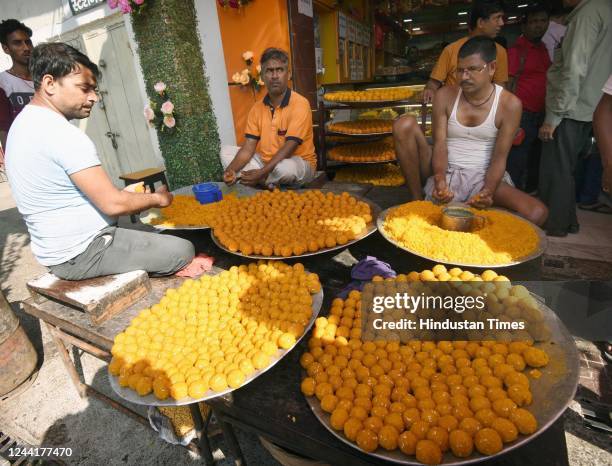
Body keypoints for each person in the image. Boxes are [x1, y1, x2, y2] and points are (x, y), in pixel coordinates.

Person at [5, 43, 195, 280]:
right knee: (182, 250)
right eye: (85, 88)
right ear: (49, 83)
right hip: (83, 252)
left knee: (151, 232)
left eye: (94, 89)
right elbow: (113, 205)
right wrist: (158, 198)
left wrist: (126, 196)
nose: (94, 97)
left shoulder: (24, 123)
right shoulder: (61, 133)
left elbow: (65, 193)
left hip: (56, 250)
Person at [393, 36, 547, 226]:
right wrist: (440, 179)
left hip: (483, 176)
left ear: (491, 68)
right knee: (403, 124)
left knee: (537, 212)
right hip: (447, 170)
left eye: (473, 69)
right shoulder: (445, 96)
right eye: (460, 70)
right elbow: (440, 145)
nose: (464, 77)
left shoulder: (510, 105)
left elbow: (499, 158)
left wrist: (488, 192)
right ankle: (416, 203)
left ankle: (488, 234)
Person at [538, 0, 612, 236]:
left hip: (572, 107)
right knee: (569, 169)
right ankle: (569, 221)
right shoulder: (604, 10)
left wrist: (554, 115)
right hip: (591, 105)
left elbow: (573, 67)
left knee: (557, 169)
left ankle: (556, 224)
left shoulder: (588, 14)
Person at [222, 48, 316, 189]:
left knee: (284, 169)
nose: (274, 75)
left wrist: (261, 173)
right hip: (266, 163)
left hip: (297, 163)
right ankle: (265, 180)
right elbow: (248, 148)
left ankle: (260, 179)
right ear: (263, 76)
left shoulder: (300, 103)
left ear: (288, 74)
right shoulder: (257, 108)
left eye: (280, 70)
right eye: (269, 71)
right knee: (226, 152)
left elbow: (290, 147)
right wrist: (230, 171)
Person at [423, 0, 509, 104]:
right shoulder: (451, 50)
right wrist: (430, 90)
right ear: (481, 22)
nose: (501, 23)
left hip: (484, 113)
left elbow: (500, 89)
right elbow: (433, 83)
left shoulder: (500, 52)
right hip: (452, 112)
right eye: (497, 18)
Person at [506, 3, 551, 190]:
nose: (539, 25)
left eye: (542, 21)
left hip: (541, 113)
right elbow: (507, 84)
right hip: (521, 114)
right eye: (533, 22)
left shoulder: (544, 49)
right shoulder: (516, 51)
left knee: (535, 158)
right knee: (517, 158)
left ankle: (529, 193)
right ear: (523, 26)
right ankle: (511, 196)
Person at [0, 19, 35, 150]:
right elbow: (4, 130)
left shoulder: (45, 79)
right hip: (27, 155)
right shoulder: (3, 83)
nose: (26, 48)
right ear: (6, 49)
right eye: (17, 43)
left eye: (28, 42)